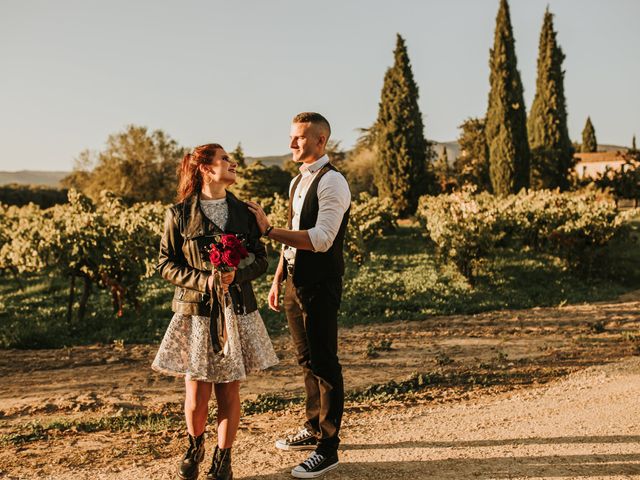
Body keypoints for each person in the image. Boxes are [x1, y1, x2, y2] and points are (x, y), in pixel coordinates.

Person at [152, 143, 278, 480]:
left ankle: (223, 459)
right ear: (206, 169)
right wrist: (202, 280)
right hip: (196, 313)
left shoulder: (247, 213)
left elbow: (261, 258)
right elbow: (166, 264)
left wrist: (239, 273)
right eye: (225, 159)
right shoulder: (178, 214)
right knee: (196, 394)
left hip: (236, 311)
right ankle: (195, 444)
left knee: (229, 390)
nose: (233, 163)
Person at [247, 112, 351, 478]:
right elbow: (294, 235)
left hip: (321, 284)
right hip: (295, 282)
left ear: (321, 141)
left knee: (324, 362)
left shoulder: (332, 182)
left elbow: (321, 240)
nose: (292, 144)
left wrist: (268, 230)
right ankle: (312, 428)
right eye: (292, 137)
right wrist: (278, 278)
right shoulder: (296, 183)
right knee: (306, 360)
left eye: (300, 138)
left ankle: (329, 447)